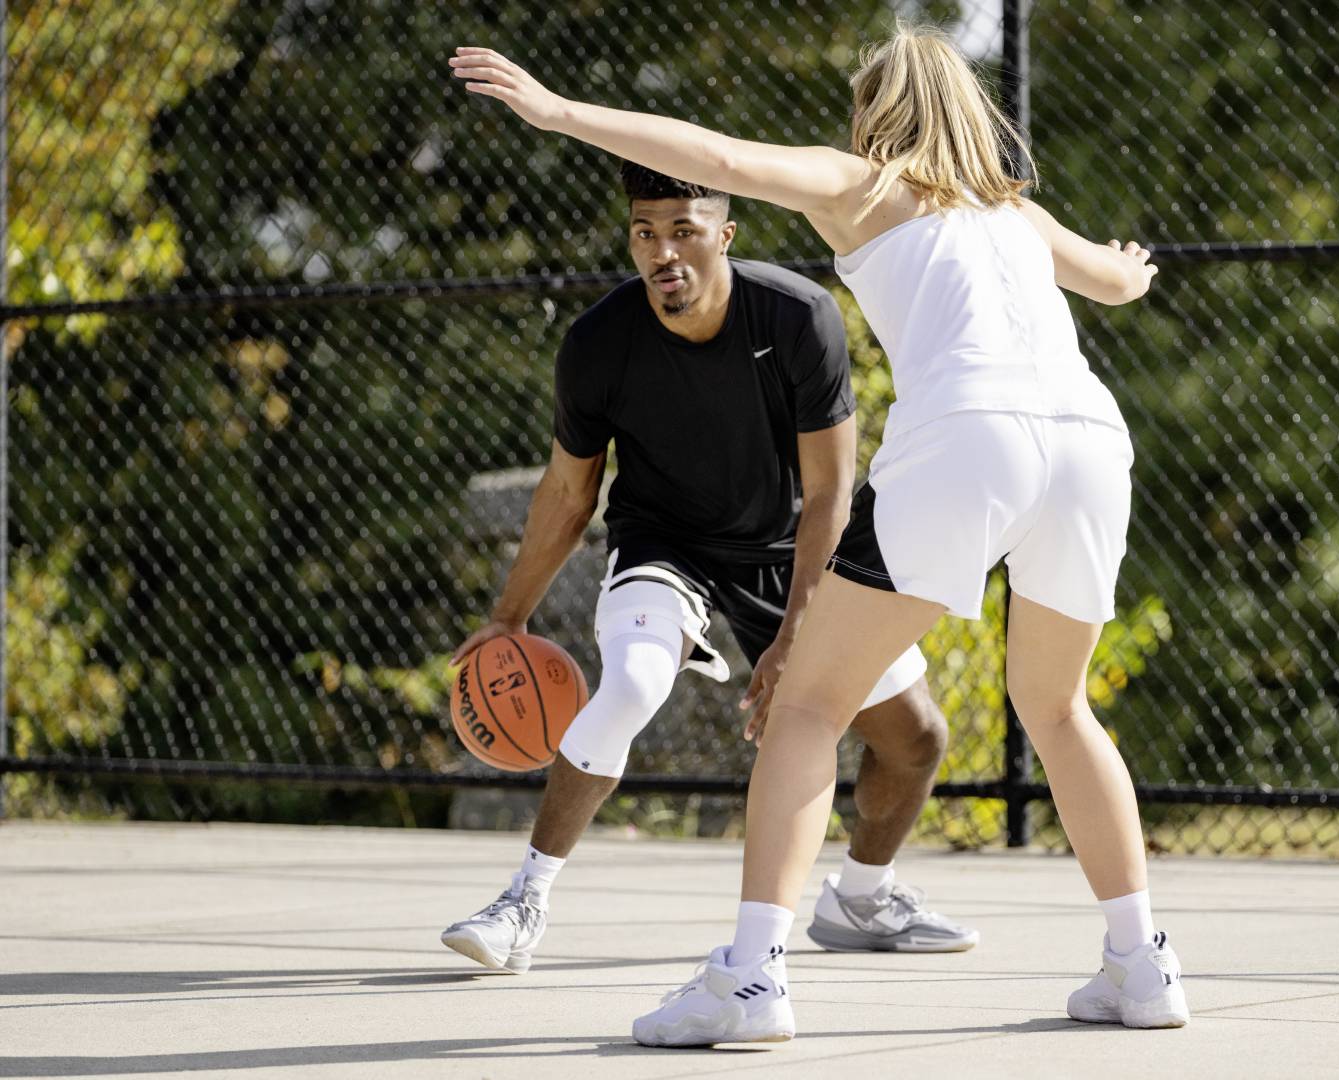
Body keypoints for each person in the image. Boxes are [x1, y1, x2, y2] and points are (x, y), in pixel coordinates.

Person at [449, 21, 1187, 1045]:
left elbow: (712, 158)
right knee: (1058, 709)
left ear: (879, 113)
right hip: (1089, 443)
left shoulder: (866, 184)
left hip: (970, 436)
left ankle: (750, 981)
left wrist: (557, 110)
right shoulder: (1014, 211)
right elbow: (1111, 282)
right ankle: (1140, 965)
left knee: (805, 706)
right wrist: (1132, 266)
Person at [438, 162, 978, 977]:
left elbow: (831, 490)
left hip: (787, 548)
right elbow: (567, 493)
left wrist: (797, 634)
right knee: (633, 682)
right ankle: (524, 899)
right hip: (666, 545)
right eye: (645, 234)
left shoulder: (799, 317)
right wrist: (508, 616)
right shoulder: (598, 343)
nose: (665, 255)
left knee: (916, 739)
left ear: (725, 235)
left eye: (684, 231)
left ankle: (863, 897)